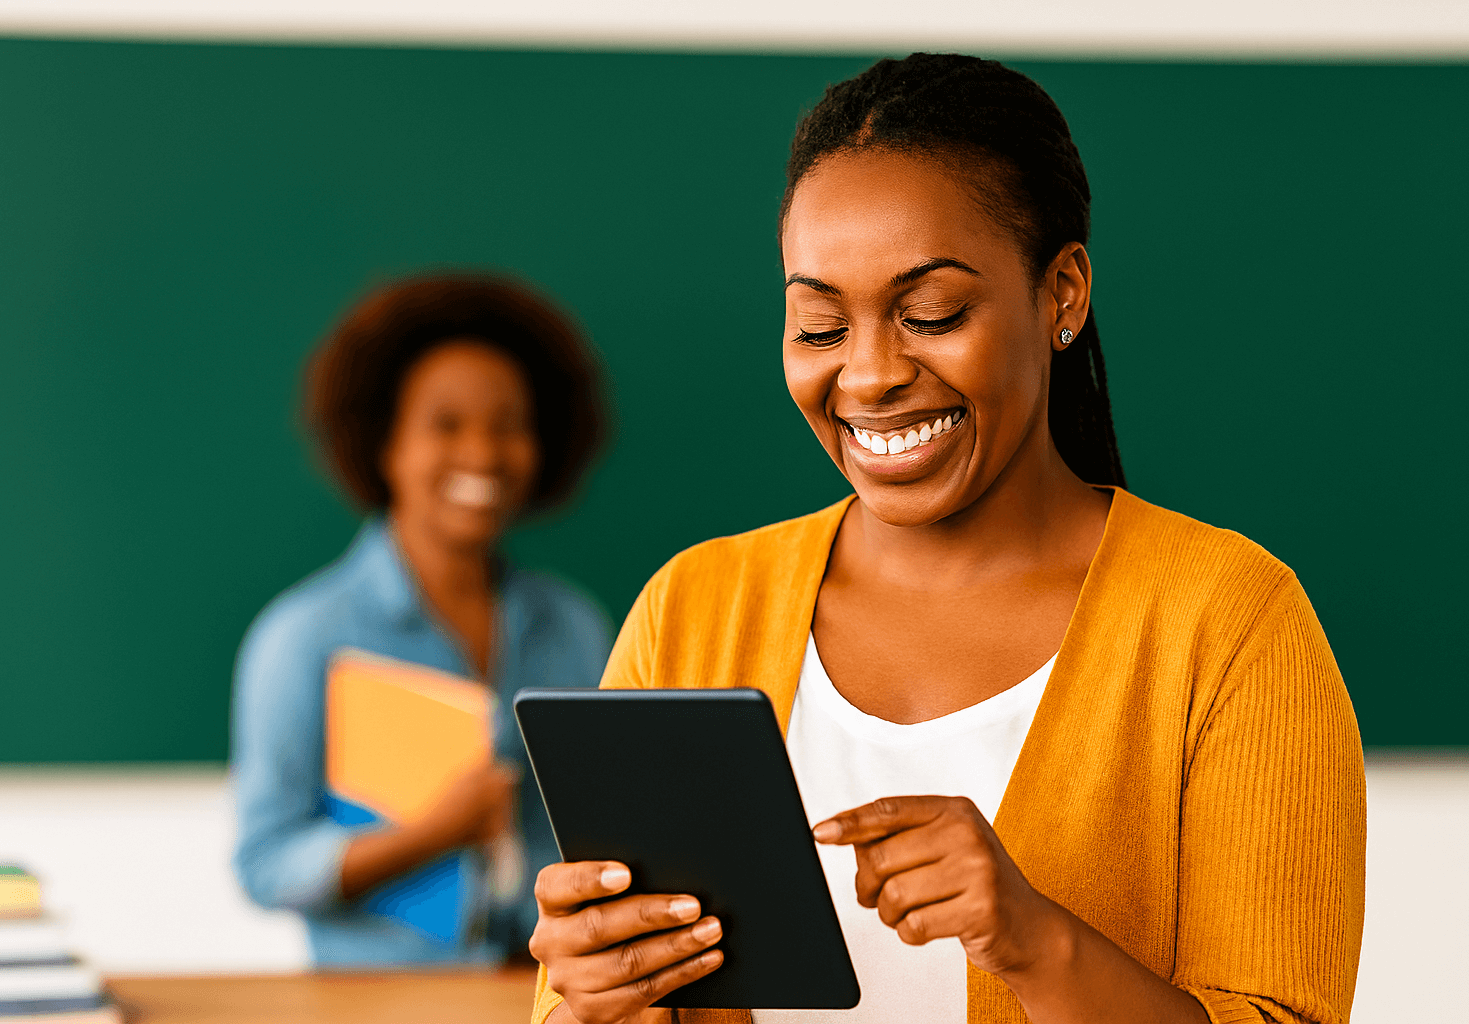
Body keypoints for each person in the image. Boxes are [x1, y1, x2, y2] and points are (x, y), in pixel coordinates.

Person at [525, 54, 1364, 1024]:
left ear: (1062, 293)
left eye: (932, 313)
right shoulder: (694, 607)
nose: (869, 374)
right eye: (820, 326)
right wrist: (593, 1002)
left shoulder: (1228, 620)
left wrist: (1034, 940)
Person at [232, 275, 613, 967]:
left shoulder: (574, 627)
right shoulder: (304, 637)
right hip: (376, 1002)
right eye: (446, 424)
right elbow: (266, 863)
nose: (483, 454)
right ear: (386, 444)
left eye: (509, 425)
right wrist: (432, 834)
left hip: (544, 995)